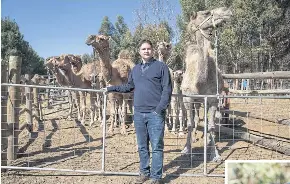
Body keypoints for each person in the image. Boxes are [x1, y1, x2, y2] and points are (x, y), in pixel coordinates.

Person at [102, 39, 172, 184]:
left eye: (148, 48)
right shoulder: (135, 69)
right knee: (142, 146)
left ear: (152, 50)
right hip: (138, 113)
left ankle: (156, 177)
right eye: (143, 49)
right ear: (139, 51)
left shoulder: (161, 67)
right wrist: (110, 88)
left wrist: (160, 109)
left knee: (157, 146)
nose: (146, 51)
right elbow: (128, 87)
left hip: (155, 114)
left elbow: (167, 89)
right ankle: (144, 172)